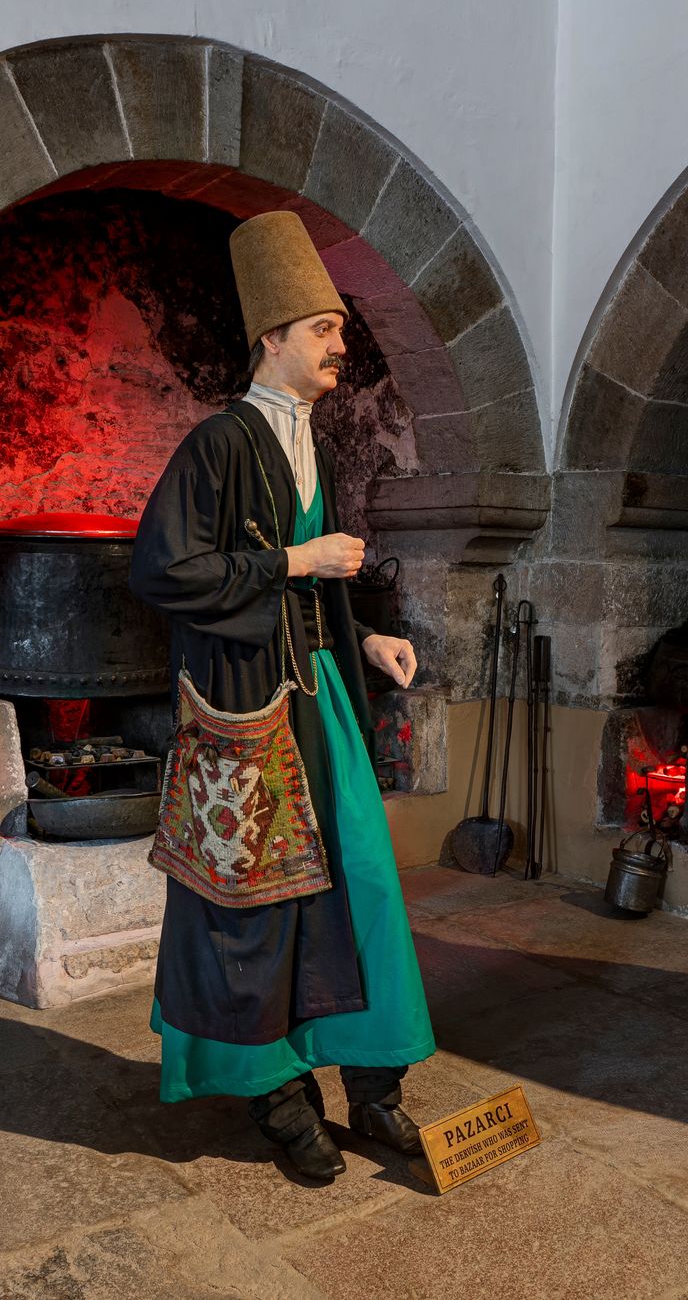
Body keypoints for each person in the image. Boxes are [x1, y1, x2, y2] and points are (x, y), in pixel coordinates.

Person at [129, 210, 436, 1181]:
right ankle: (274, 1094)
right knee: (253, 912)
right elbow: (164, 571)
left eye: (338, 329)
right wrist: (291, 559)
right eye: (323, 329)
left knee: (367, 887)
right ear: (272, 339)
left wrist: (368, 635)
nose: (340, 343)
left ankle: (374, 1086)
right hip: (245, 714)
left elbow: (316, 586)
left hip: (321, 704)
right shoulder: (218, 445)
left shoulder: (314, 443)